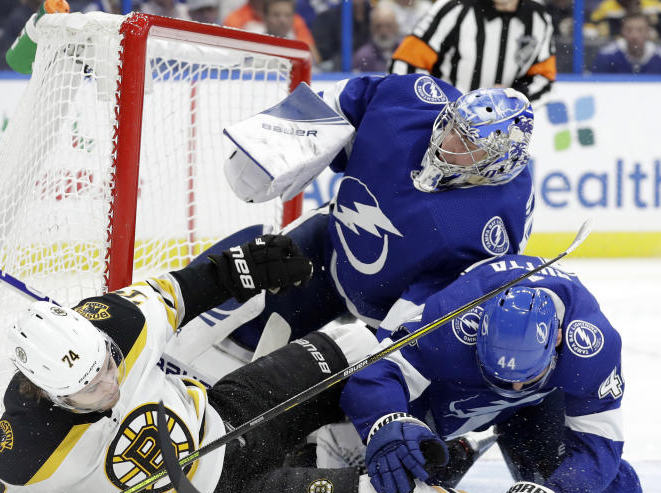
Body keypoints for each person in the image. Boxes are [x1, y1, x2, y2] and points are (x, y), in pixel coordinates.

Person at [0, 233, 528, 493]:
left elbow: (180, 291)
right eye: (89, 389)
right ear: (52, 395)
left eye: (108, 364)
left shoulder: (116, 322)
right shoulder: (28, 452)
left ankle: (411, 431)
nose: (109, 383)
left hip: (228, 416)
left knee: (359, 343)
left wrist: (242, 267)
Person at [164, 74, 535, 389]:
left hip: (383, 313)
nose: (448, 142)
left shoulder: (501, 218)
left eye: (469, 143)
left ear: (499, 163)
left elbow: (449, 297)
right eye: (454, 125)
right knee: (253, 264)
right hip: (331, 248)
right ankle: (166, 345)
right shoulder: (411, 99)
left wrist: (389, 356)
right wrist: (277, 144)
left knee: (345, 393)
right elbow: (341, 102)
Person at [338, 254, 643, 493]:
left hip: (537, 407)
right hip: (455, 390)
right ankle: (455, 448)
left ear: (558, 340)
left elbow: (599, 445)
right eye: (500, 373)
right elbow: (377, 371)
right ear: (479, 333)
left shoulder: (591, 346)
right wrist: (387, 420)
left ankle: (500, 439)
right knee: (400, 483)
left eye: (526, 376)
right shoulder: (452, 324)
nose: (514, 387)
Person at [389, 0, 557, 104]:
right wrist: (438, 105)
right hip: (443, 128)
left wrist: (513, 98)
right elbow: (405, 64)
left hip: (500, 134)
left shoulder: (538, 16)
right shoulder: (454, 5)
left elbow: (544, 76)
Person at [224, 0, 317, 49]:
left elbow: (310, 55)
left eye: (287, 15)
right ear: (265, 17)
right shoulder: (235, 19)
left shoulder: (296, 19)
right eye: (276, 15)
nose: (282, 20)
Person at [590, 11, 661, 74]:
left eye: (640, 30)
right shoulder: (606, 56)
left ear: (648, 32)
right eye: (629, 30)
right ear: (622, 31)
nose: (634, 35)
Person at [311, 0, 373, 69]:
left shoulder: (377, 16)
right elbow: (324, 56)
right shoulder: (326, 18)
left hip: (372, 72)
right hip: (337, 75)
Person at [353, 2, 402, 72]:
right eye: (378, 26)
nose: (383, 31)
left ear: (397, 27)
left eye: (388, 26)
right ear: (371, 28)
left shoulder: (406, 53)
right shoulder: (363, 57)